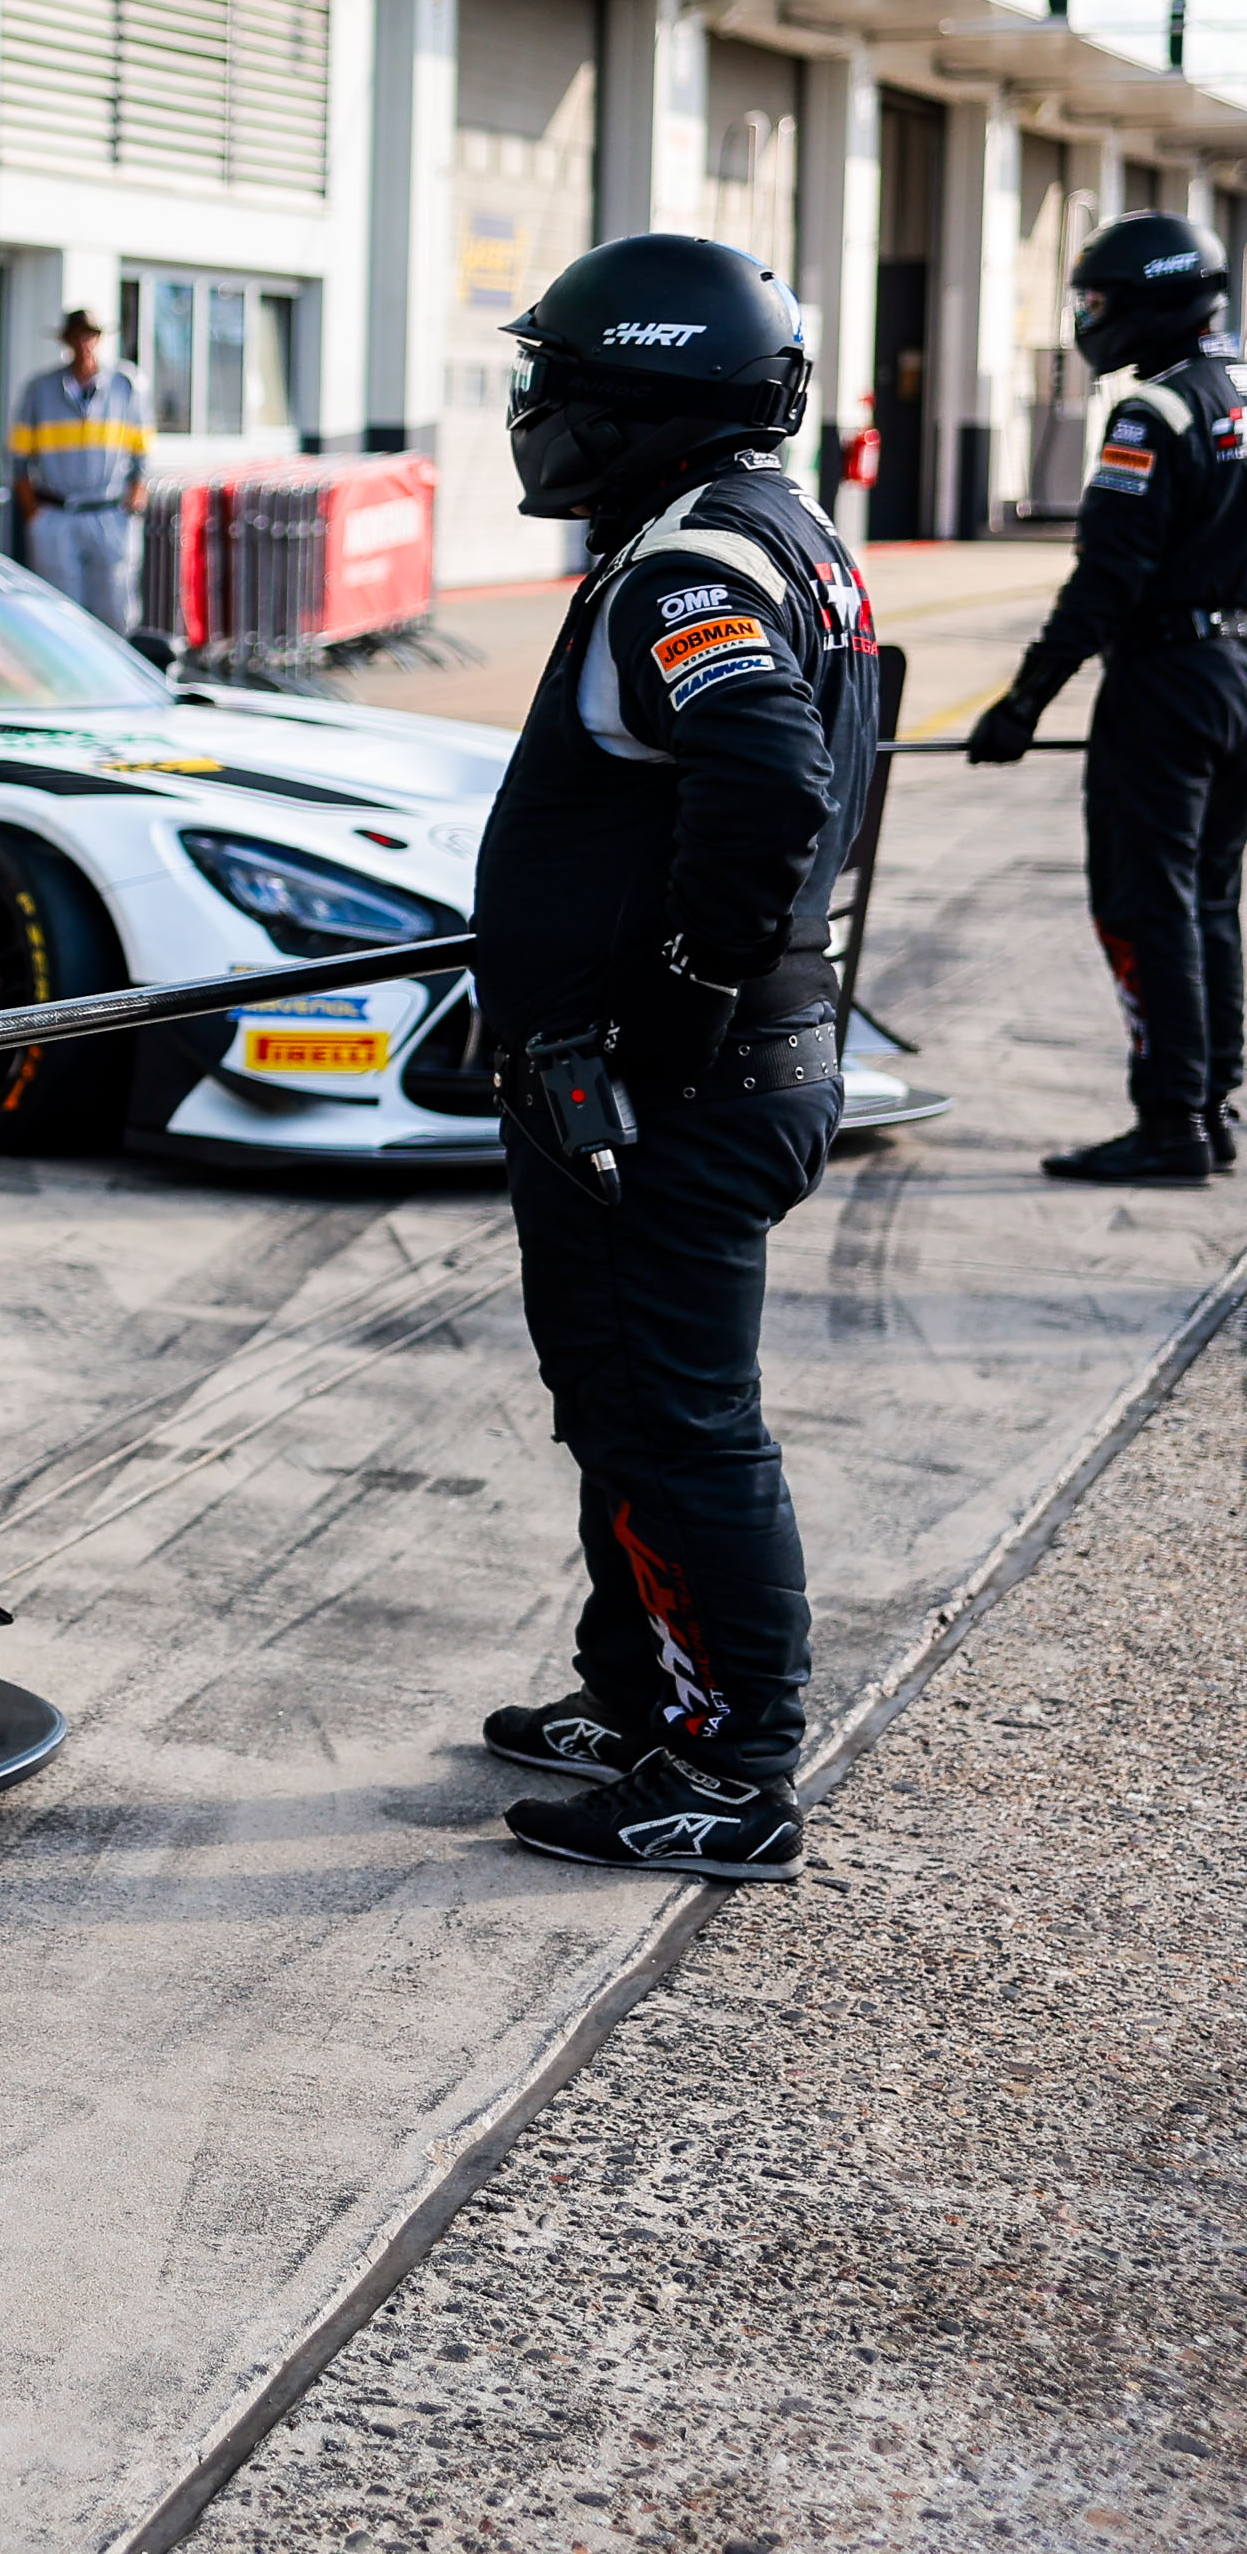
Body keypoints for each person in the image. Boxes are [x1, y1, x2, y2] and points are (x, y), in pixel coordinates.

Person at [469, 231, 881, 1887]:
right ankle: (640, 1698)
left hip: (676, 1090)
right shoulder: (769, 531)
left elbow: (769, 783)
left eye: (554, 379)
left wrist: (677, 1004)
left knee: (677, 1425)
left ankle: (729, 1766)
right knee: (620, 1409)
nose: (533, 407)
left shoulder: (686, 566)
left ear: (640, 393)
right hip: (693, 1074)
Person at [966, 211, 1247, 1183]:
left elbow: (1107, 581)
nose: (1090, 318)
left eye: (1099, 301)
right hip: (1237, 672)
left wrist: (1024, 701)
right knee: (1211, 895)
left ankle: (1170, 1121)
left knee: (1145, 899)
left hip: (1168, 683)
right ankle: (1210, 1105)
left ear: (1152, 301)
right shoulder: (1239, 394)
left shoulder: (1152, 414)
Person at [6, 307, 148, 634]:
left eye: (91, 335)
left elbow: (142, 452)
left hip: (109, 511)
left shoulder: (125, 386)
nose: (84, 343)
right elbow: (17, 458)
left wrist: (134, 498)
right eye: (77, 336)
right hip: (57, 513)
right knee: (58, 613)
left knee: (115, 610)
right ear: (66, 341)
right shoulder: (40, 389)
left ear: (99, 339)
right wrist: (34, 514)